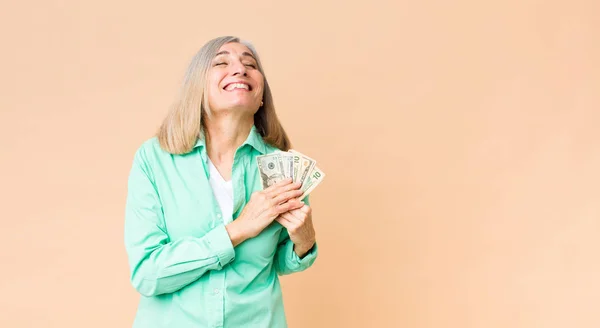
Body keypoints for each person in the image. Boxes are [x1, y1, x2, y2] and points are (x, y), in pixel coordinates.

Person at [123, 36, 319, 328]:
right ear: (198, 88)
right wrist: (239, 229)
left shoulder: (284, 167)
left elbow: (278, 262)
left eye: (250, 64)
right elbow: (148, 273)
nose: (240, 69)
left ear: (261, 93)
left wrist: (305, 239)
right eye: (221, 62)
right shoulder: (155, 159)